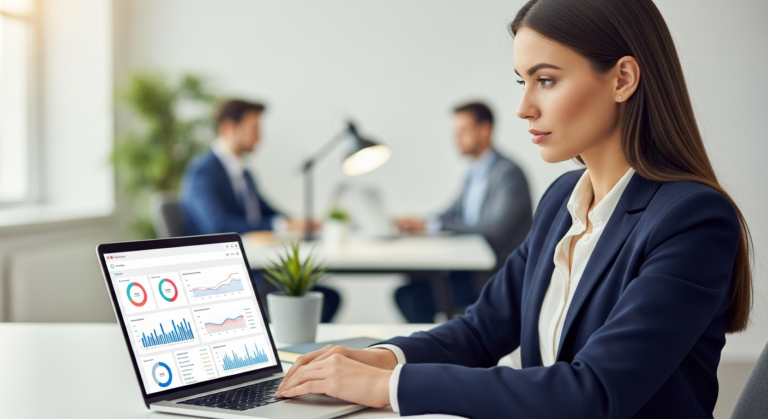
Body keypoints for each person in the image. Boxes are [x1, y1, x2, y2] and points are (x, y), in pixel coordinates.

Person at [274, 0, 754, 417]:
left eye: (546, 80)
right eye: (523, 81)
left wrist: (386, 389)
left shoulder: (692, 219)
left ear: (622, 79)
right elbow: (482, 332)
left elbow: (596, 393)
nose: (524, 107)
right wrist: (382, 359)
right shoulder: (559, 204)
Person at [180, 99, 340, 322]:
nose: (260, 137)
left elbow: (265, 211)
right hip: (222, 275)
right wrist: (283, 225)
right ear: (228, 128)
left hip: (252, 265)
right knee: (321, 298)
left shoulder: (243, 173)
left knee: (327, 296)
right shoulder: (203, 173)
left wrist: (295, 221)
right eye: (254, 129)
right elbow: (219, 225)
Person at [395, 102, 533, 323]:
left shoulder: (508, 174)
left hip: (493, 276)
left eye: (462, 132)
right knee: (408, 288)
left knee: (413, 298)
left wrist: (432, 226)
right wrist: (421, 222)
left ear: (484, 130)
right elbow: (453, 212)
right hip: (468, 270)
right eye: (455, 133)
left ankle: (429, 352)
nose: (456, 139)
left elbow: (493, 230)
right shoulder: (474, 172)